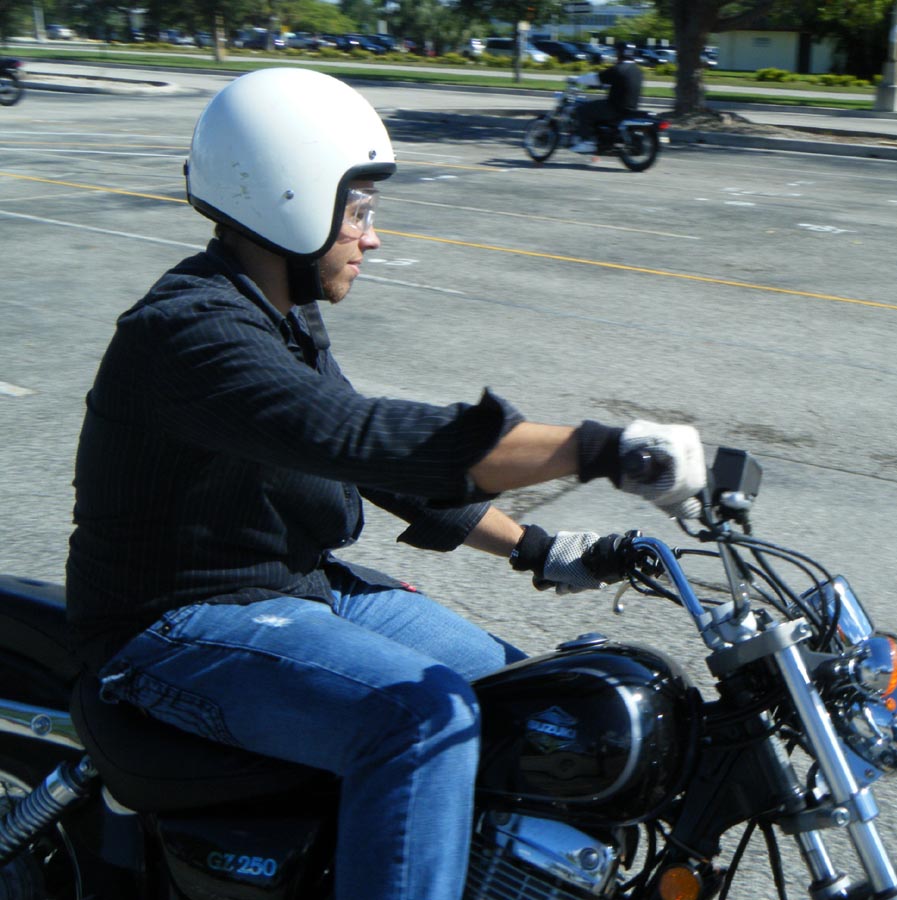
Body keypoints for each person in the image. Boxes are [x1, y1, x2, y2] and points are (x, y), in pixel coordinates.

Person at [65, 68, 706, 900]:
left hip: (297, 589)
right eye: (359, 211)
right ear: (289, 197)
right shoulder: (190, 333)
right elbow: (360, 435)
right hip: (170, 623)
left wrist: (541, 548)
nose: (371, 238)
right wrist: (602, 448)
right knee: (421, 719)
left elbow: (365, 460)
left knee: (536, 704)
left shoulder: (277, 312)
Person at [569, 43, 644, 154]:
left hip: (615, 107)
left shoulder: (618, 69)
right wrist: (604, 86)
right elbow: (622, 83)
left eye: (616, 53)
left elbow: (597, 78)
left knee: (582, 110)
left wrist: (577, 79)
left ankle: (587, 142)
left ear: (619, 54)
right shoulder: (637, 71)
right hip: (631, 107)